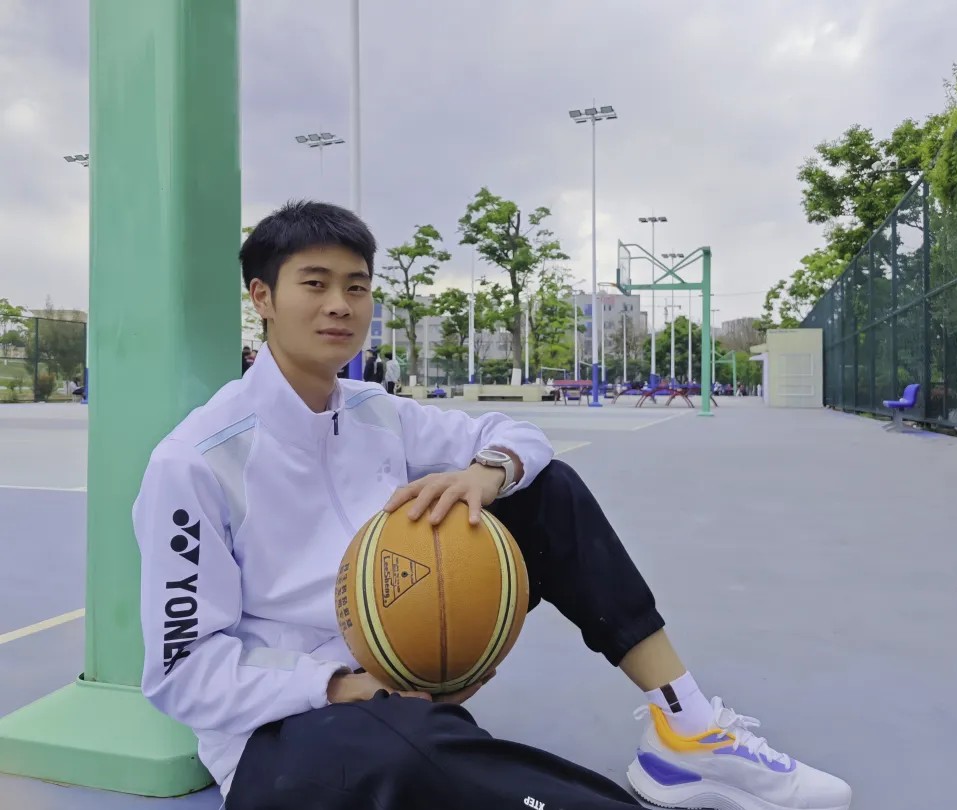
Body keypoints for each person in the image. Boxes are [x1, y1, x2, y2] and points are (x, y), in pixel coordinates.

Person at [132, 200, 851, 810]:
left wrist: (487, 473)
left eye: (356, 286)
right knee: (414, 754)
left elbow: (518, 437)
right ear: (262, 297)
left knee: (546, 489)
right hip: (286, 730)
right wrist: (342, 686)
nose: (340, 305)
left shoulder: (377, 411)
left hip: (397, 672)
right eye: (314, 284)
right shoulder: (196, 462)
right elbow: (182, 672)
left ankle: (684, 728)